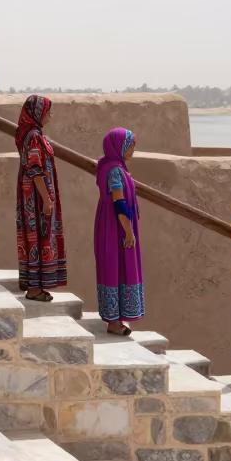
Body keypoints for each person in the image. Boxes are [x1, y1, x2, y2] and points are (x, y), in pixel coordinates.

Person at [15, 95, 67, 301]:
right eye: (47, 112)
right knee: (38, 234)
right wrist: (46, 200)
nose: (50, 116)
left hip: (32, 195)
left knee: (34, 236)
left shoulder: (28, 134)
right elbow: (35, 170)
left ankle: (33, 283)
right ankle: (35, 288)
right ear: (37, 114)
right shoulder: (34, 136)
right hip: (35, 197)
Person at [94, 128, 144, 335]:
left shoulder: (112, 167)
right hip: (116, 227)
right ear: (120, 146)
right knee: (116, 266)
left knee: (116, 268)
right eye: (131, 144)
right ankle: (114, 323)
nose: (133, 149)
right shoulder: (115, 170)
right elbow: (119, 202)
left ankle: (116, 318)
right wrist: (128, 231)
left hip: (112, 224)